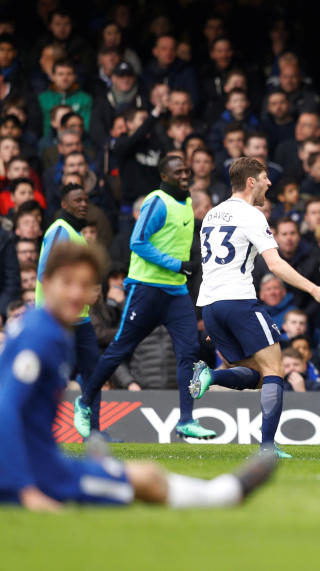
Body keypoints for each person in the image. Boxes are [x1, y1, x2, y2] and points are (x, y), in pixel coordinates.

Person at [1, 241, 278, 511]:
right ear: (46, 282)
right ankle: (225, 495)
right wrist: (25, 489)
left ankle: (105, 466)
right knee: (147, 479)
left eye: (84, 286)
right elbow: (6, 410)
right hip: (35, 474)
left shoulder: (43, 327)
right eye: (67, 283)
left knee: (143, 473)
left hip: (43, 461)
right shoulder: (42, 336)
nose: (76, 294)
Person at [190, 157, 320, 458]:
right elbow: (275, 264)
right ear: (251, 182)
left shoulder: (213, 215)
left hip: (212, 306)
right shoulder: (251, 215)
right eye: (266, 178)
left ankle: (211, 376)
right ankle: (267, 447)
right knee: (275, 370)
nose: (270, 183)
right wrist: (314, 288)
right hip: (239, 301)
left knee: (255, 375)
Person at [73, 155, 216, 440]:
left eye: (187, 170)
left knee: (189, 352)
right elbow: (137, 242)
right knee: (120, 349)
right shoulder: (157, 201)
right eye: (179, 172)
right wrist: (177, 265)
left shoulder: (187, 202)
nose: (185, 174)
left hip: (176, 292)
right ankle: (85, 400)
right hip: (147, 288)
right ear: (164, 176)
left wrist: (184, 268)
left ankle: (186, 419)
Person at [34, 183, 103, 433]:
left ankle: (94, 433)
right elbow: (44, 273)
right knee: (50, 376)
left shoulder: (77, 234)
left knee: (94, 376)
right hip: (57, 319)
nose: (83, 204)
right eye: (77, 200)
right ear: (64, 204)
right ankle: (37, 431)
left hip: (80, 320)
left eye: (85, 199)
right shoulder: (60, 230)